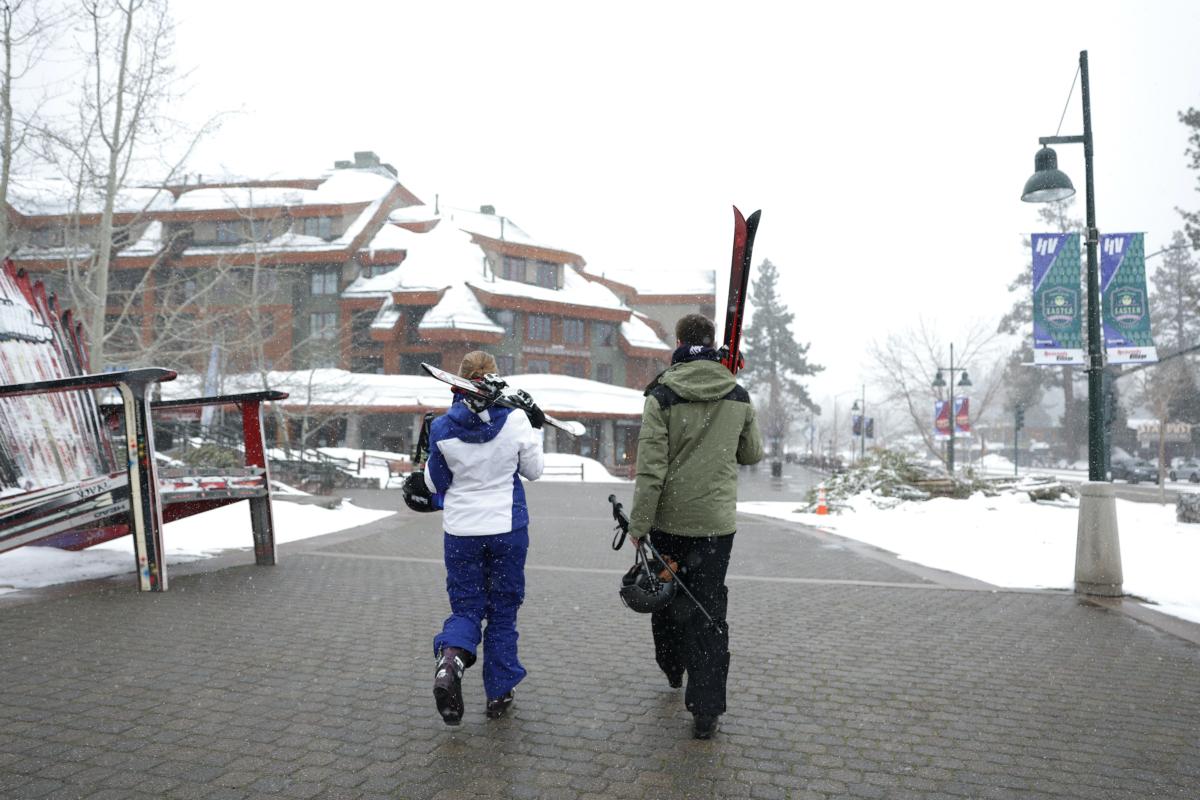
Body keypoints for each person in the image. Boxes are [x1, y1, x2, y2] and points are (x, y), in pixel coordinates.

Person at [626, 313, 763, 739]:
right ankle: (706, 710)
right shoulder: (738, 393)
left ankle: (672, 668)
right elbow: (752, 454)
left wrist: (639, 524)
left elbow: (650, 468)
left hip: (669, 522)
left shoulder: (662, 394)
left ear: (681, 342)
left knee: (666, 599)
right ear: (714, 345)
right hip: (716, 527)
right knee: (708, 610)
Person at [420, 350, 545, 725]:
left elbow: (434, 483)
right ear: (495, 378)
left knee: (467, 608)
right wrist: (535, 429)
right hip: (507, 528)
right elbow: (534, 471)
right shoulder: (518, 420)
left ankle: (451, 661)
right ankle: (499, 692)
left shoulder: (441, 428)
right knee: (503, 612)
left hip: (461, 533)